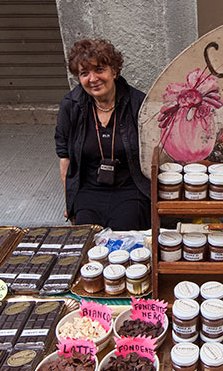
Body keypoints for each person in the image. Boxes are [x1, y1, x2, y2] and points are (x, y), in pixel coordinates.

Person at [55, 38, 151, 229]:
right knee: (88, 237)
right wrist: (70, 200)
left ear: (114, 71)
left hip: (130, 188)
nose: (92, 79)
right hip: (89, 189)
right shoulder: (71, 106)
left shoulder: (138, 104)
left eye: (99, 70)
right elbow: (64, 157)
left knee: (125, 233)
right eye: (84, 73)